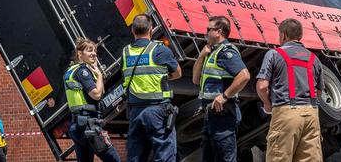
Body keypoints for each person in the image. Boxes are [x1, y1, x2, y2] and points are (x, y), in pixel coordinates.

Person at [256, 18, 324, 162]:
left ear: (283, 35)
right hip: (312, 115)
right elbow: (319, 91)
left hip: (286, 113)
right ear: (300, 36)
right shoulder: (314, 59)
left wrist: (267, 104)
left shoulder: (274, 54)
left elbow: (262, 86)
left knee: (279, 158)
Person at [123, 14, 182, 162]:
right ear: (151, 29)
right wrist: (163, 76)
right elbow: (178, 73)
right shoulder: (160, 50)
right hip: (157, 111)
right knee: (165, 154)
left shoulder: (126, 52)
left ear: (133, 31)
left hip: (135, 112)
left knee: (135, 156)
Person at [192, 16, 251, 162]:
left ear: (218, 31)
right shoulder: (211, 52)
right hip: (211, 115)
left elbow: (244, 76)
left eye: (208, 29)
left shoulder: (226, 52)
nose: (205, 32)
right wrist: (200, 57)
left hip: (223, 116)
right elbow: (195, 80)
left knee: (225, 158)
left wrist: (224, 96)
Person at [64, 38, 121, 162]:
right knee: (114, 159)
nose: (94, 53)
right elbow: (97, 94)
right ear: (80, 54)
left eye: (95, 50)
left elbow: (100, 91)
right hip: (88, 127)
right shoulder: (82, 71)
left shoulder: (71, 70)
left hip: (77, 125)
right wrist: (99, 75)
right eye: (90, 50)